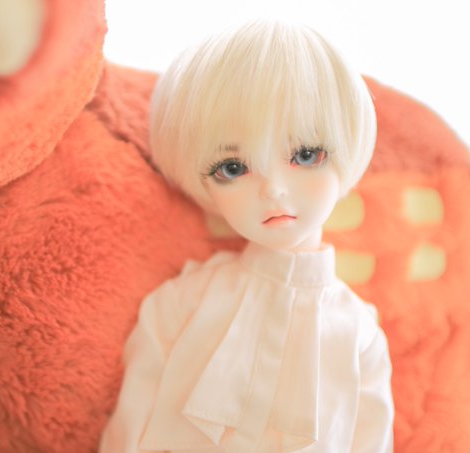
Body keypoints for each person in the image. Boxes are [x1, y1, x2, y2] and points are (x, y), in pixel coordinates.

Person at [99, 20, 394, 452]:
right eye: (233, 168)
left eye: (306, 154)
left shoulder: (358, 333)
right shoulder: (183, 303)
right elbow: (127, 432)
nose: (273, 190)